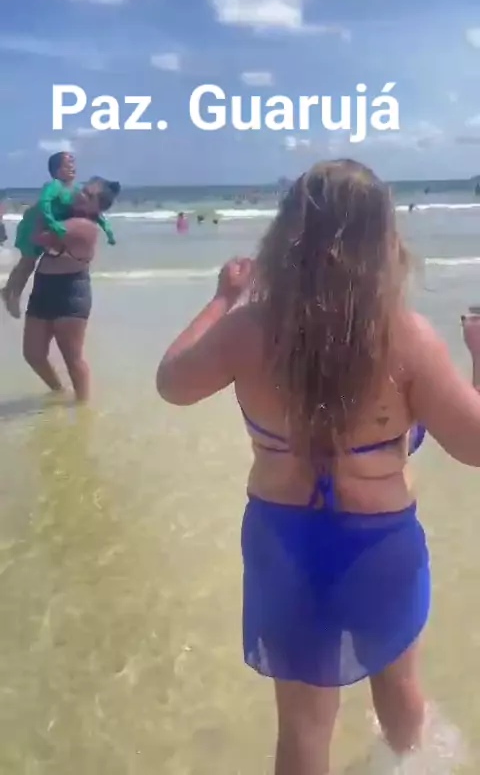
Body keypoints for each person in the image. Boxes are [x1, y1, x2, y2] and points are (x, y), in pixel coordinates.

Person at [156, 159, 480, 774]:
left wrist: (223, 299)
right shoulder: (405, 337)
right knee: (402, 701)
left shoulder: (248, 329)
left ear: (287, 233)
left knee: (303, 728)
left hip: (283, 542)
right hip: (379, 544)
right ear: (383, 240)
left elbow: (172, 383)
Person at [23, 177, 119, 403]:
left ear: (98, 207)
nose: (79, 194)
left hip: (70, 292)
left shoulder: (84, 227)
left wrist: (46, 199)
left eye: (88, 195)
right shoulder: (66, 216)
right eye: (82, 189)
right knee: (33, 354)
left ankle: (83, 407)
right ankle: (58, 391)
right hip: (43, 287)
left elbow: (37, 236)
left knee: (73, 359)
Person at [1, 153, 116, 318]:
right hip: (33, 225)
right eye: (66, 166)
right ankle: (12, 294)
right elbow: (44, 205)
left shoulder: (78, 189)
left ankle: (10, 291)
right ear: (56, 170)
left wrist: (108, 230)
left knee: (38, 261)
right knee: (27, 263)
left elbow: (94, 210)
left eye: (73, 164)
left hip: (48, 228)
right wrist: (52, 223)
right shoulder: (53, 186)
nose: (72, 168)